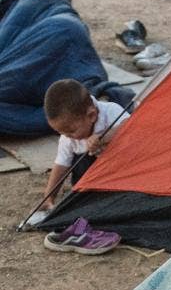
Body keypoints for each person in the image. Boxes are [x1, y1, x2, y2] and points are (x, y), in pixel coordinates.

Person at [40, 78, 129, 210]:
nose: (66, 135)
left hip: (121, 171)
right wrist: (49, 197)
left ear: (92, 115)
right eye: (60, 132)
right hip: (91, 179)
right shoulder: (67, 137)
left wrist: (104, 138)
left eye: (71, 131)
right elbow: (61, 166)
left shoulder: (111, 111)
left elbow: (131, 126)